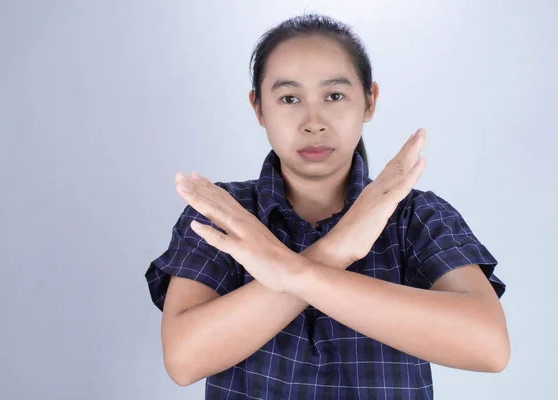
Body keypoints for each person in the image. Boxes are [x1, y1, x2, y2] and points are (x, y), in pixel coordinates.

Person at [145, 13, 509, 399]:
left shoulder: (415, 217)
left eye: (334, 96)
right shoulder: (224, 214)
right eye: (289, 98)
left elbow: (489, 345)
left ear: (369, 101)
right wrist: (338, 249)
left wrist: (290, 271)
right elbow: (184, 360)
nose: (313, 122)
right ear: (258, 108)